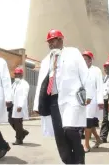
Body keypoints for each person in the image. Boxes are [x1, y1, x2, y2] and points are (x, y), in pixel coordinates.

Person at [33, 29, 93, 164]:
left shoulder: (73, 53)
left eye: (53, 41)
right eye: (49, 42)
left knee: (70, 130)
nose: (51, 44)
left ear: (61, 40)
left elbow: (85, 74)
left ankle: (79, 159)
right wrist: (37, 104)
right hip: (54, 101)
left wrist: (88, 94)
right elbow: (41, 83)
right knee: (60, 136)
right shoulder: (45, 61)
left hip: (72, 98)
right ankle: (69, 161)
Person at [82, 51, 104, 152]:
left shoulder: (96, 70)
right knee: (87, 122)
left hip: (92, 100)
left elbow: (100, 86)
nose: (84, 61)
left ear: (90, 60)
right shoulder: (80, 70)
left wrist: (100, 101)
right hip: (81, 99)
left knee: (88, 121)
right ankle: (98, 139)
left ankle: (86, 145)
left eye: (86, 59)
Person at [8, 67, 30, 145]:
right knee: (10, 120)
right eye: (15, 74)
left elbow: (24, 95)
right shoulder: (14, 84)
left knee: (18, 122)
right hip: (12, 105)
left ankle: (19, 139)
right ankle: (23, 132)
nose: (16, 75)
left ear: (21, 75)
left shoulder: (24, 84)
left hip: (19, 106)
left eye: (18, 74)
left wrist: (20, 105)